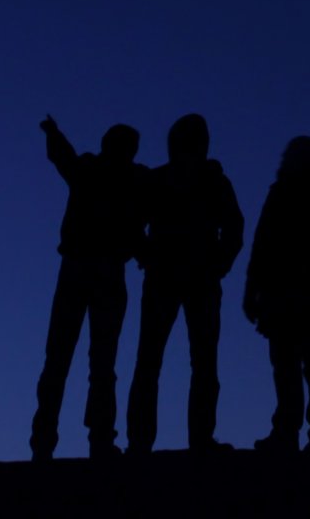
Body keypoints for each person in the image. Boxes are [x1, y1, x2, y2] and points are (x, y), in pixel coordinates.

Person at [30, 114, 149, 461]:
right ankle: (93, 440)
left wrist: (53, 133)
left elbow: (62, 157)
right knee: (95, 362)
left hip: (83, 270)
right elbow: (63, 156)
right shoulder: (131, 179)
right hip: (101, 272)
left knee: (65, 360)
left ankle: (48, 441)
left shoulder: (97, 172)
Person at [125, 113, 244, 453]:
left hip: (191, 278)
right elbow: (134, 224)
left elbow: (234, 227)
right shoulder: (182, 180)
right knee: (170, 361)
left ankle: (170, 440)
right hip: (180, 278)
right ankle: (153, 440)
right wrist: (149, 256)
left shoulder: (205, 181)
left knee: (183, 361)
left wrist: (218, 264)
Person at [242, 135, 310, 454]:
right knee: (289, 365)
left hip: (304, 291)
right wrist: (253, 288)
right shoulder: (285, 191)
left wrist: (258, 286)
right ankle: (290, 432)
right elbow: (261, 244)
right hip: (283, 293)